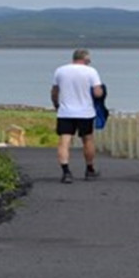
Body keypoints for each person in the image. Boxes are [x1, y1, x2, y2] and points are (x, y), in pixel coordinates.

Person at [51, 48, 104, 183]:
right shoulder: (91, 71)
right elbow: (98, 93)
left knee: (64, 141)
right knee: (88, 140)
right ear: (86, 59)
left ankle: (66, 172)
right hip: (85, 112)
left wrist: (56, 105)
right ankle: (89, 169)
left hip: (65, 112)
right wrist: (101, 92)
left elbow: (55, 92)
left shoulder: (60, 70)